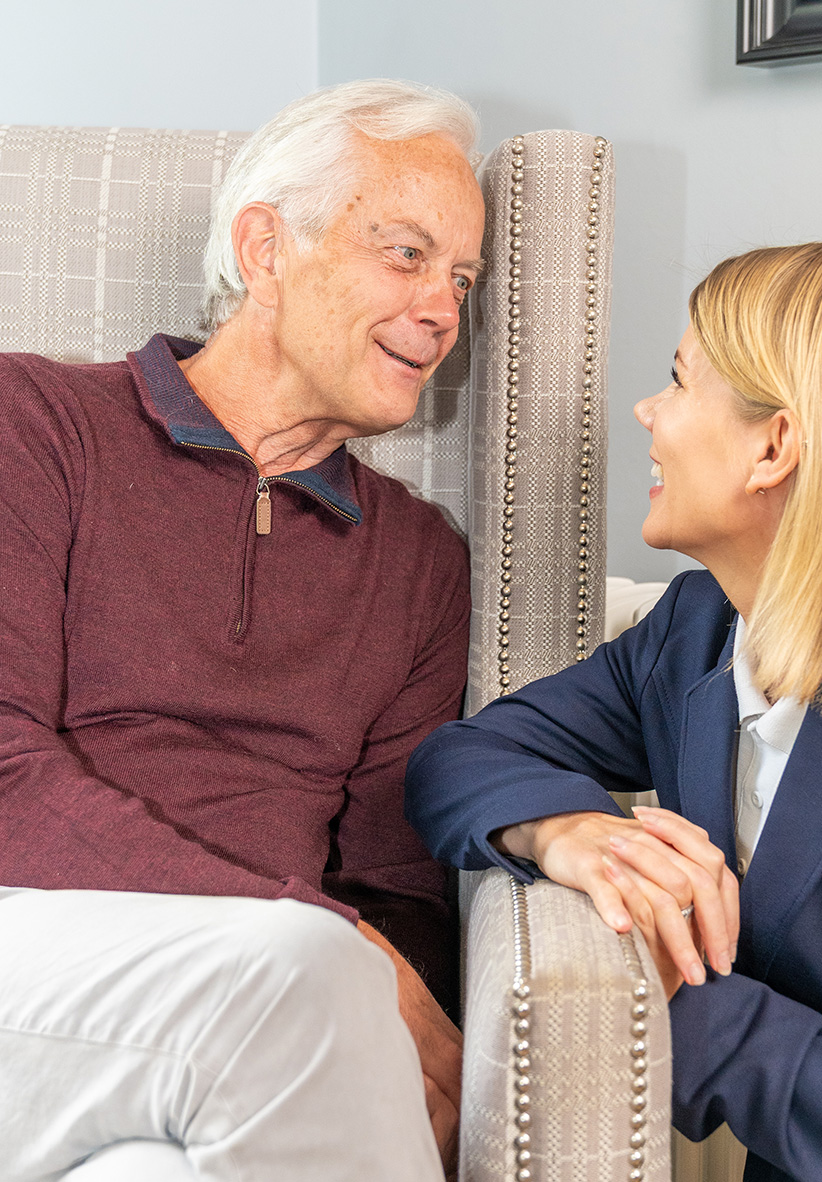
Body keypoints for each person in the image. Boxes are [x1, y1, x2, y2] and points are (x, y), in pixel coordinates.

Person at [406, 242, 822, 1181]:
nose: (647, 412)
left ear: (775, 447)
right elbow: (462, 757)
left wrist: (679, 1001)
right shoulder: (698, 628)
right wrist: (570, 831)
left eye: (678, 382)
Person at [0, 79, 485, 1180]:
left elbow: (394, 887)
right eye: (406, 254)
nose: (444, 310)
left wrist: (345, 948)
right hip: (31, 944)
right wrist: (316, 940)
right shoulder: (34, 425)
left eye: (461, 277)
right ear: (265, 248)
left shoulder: (418, 559)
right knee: (307, 981)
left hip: (266, 1019)